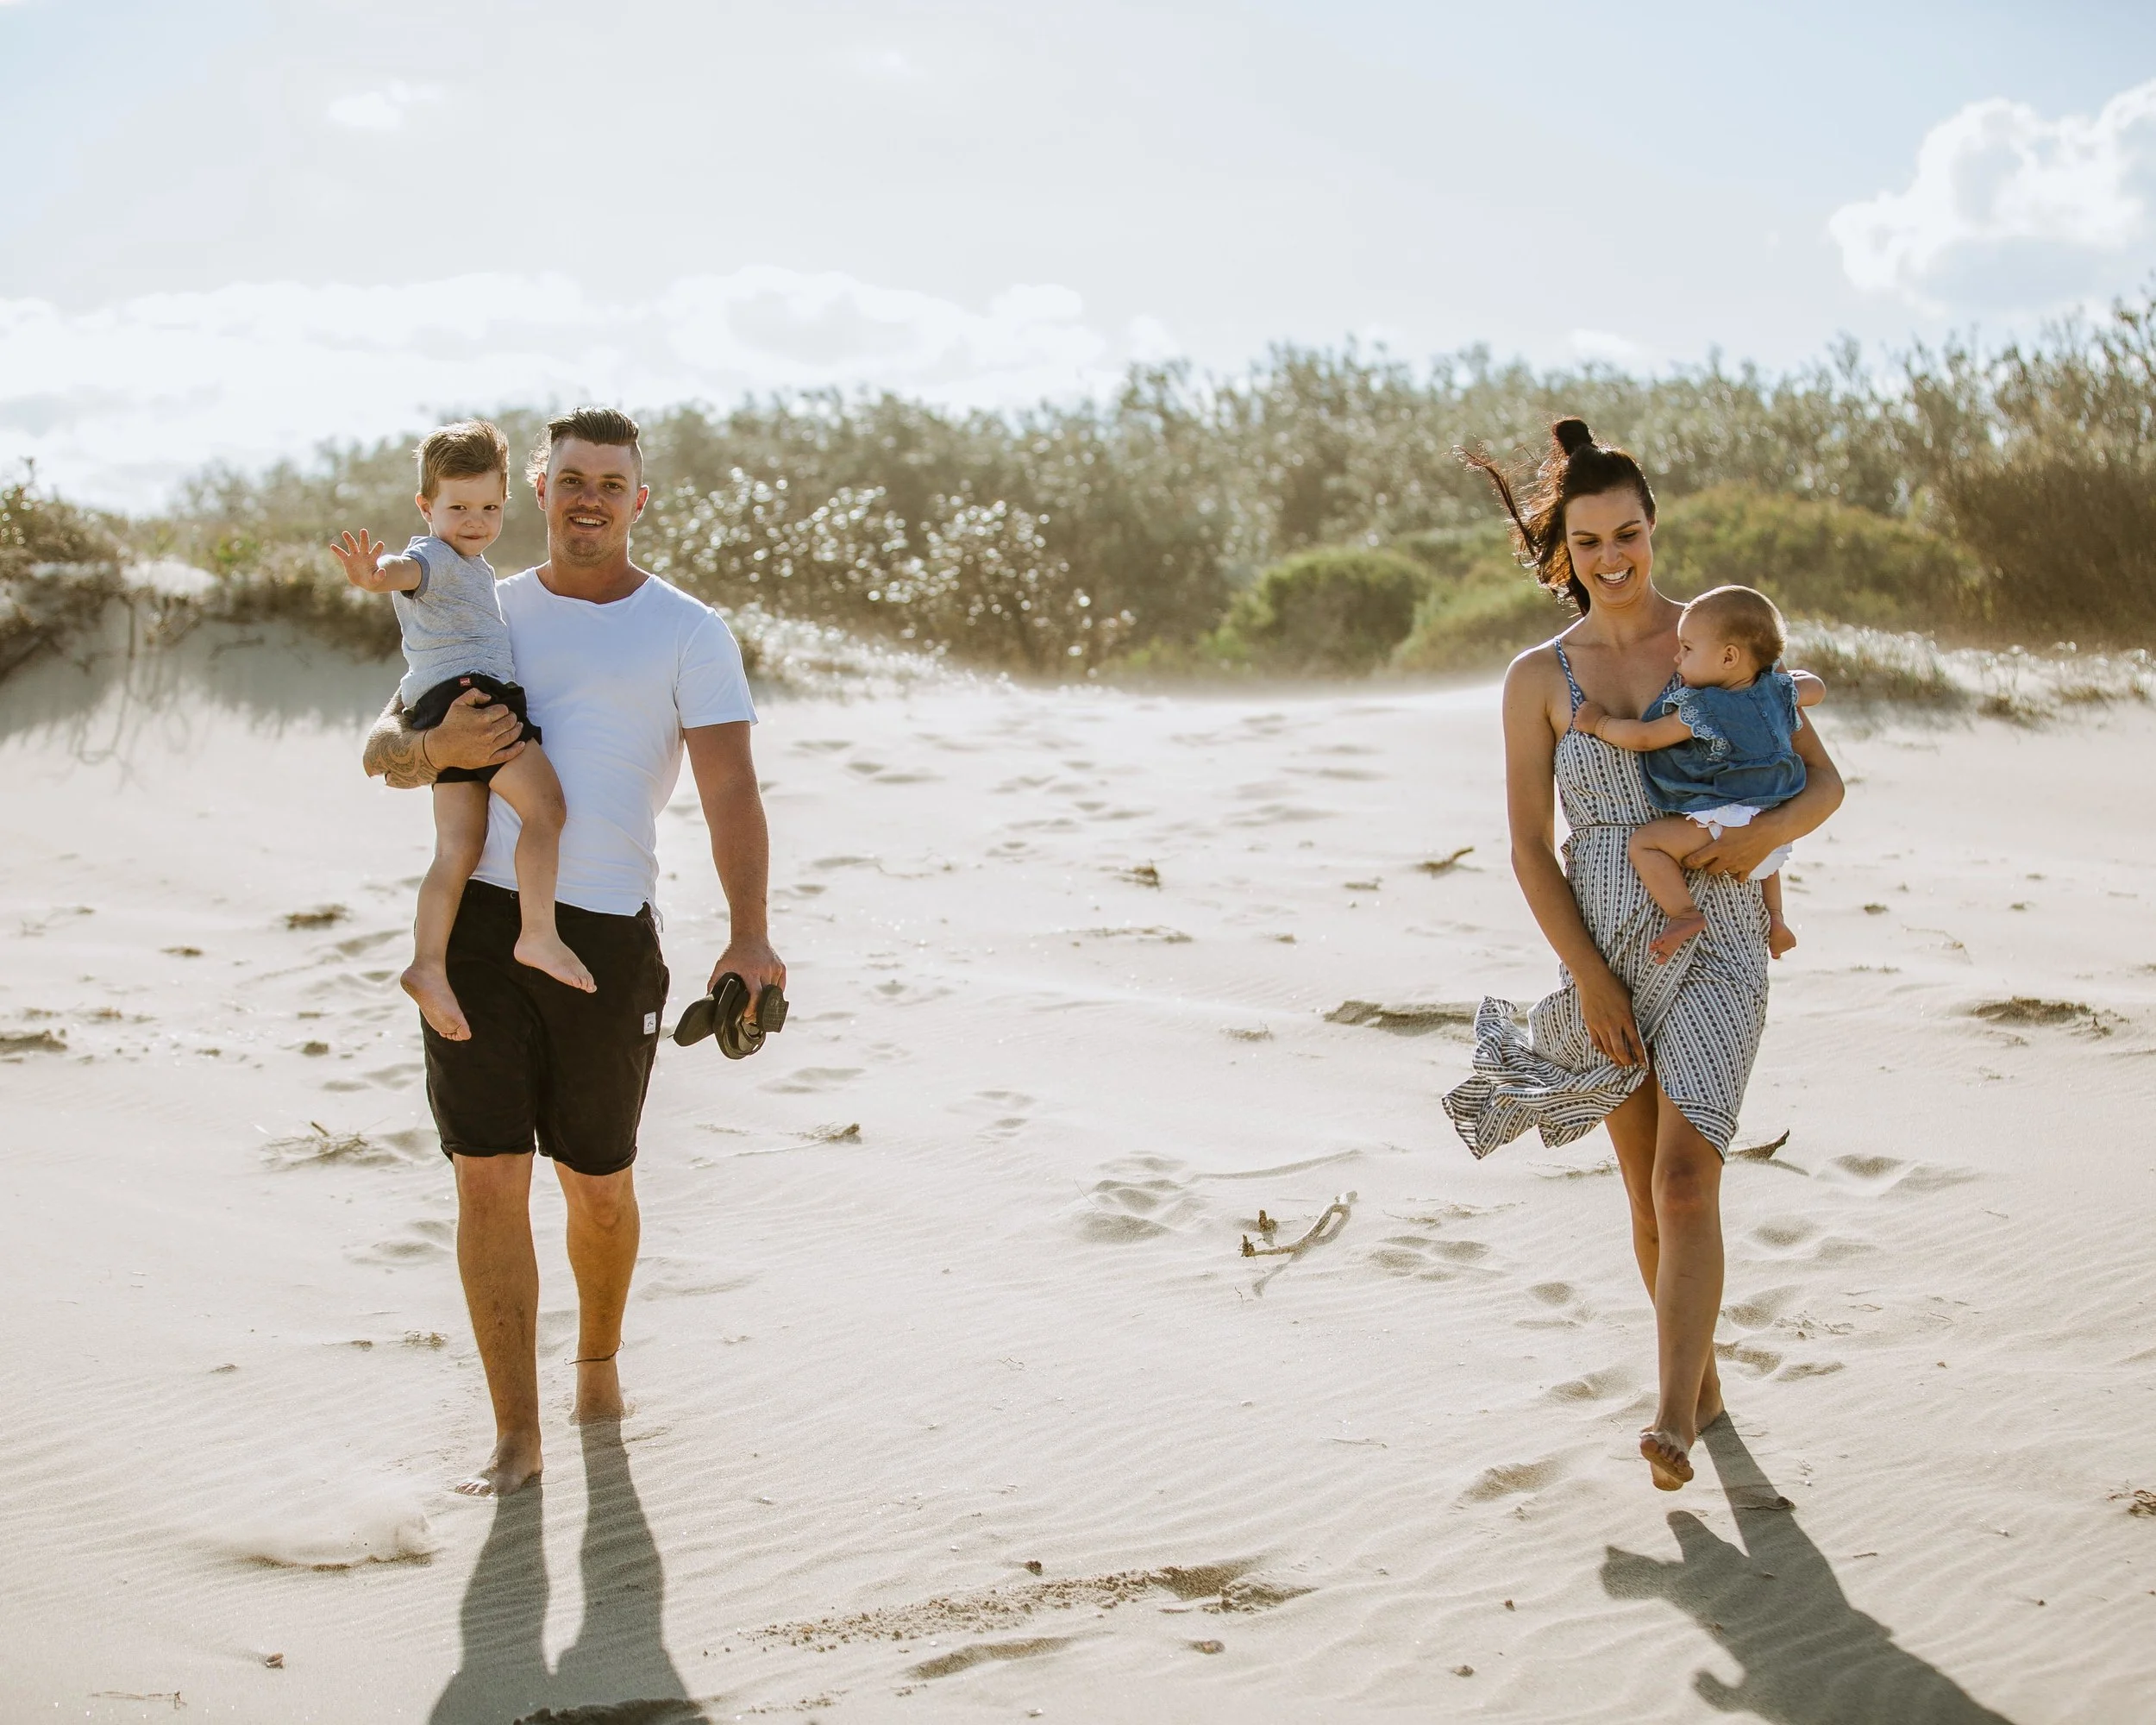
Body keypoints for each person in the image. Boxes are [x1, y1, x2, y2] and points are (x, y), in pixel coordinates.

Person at [363, 406, 784, 1497]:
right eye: (572, 478)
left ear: (639, 499)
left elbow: (731, 789)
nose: (590, 497)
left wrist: (749, 932)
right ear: (540, 491)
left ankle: (596, 1364)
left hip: (606, 934)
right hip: (478, 929)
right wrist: (432, 745)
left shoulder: (687, 629)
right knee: (488, 1176)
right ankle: (516, 1432)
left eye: (612, 482)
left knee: (597, 1184)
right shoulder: (476, 599)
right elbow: (380, 748)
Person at [1441, 417, 1845, 1492]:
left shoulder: (1715, 638)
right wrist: (1588, 976)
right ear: (1561, 551)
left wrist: (1762, 841)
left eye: (1627, 533)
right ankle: (1698, 1386)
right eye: (1588, 541)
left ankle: (1668, 1417)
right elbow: (1530, 848)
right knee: (1640, 1194)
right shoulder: (1536, 678)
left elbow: (1819, 781)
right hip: (1606, 952)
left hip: (1714, 940)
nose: (1612, 557)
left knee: (1683, 1181)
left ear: (1653, 526)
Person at [331, 420, 596, 1041]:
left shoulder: (472, 566)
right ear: (426, 507)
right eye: (457, 508)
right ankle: (538, 934)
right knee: (547, 810)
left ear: (505, 501)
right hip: (473, 699)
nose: (475, 521)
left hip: (436, 704)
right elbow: (405, 570)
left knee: (457, 849)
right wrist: (374, 576)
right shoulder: (438, 558)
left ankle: (427, 964)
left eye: (489, 508)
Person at [1572, 584, 1823, 963]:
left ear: (1728, 657)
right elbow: (1816, 689)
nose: (1677, 658)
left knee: (1646, 844)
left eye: (1687, 649)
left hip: (1726, 821)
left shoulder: (1708, 707)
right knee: (1766, 867)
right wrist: (1790, 681)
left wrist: (1599, 724)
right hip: (1773, 824)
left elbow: (1645, 738)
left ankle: (1684, 913)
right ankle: (1775, 919)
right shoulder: (1777, 690)